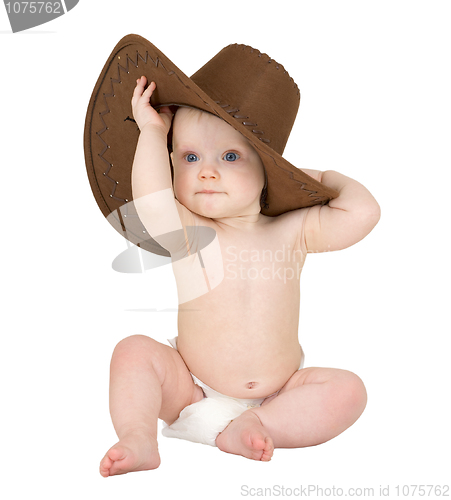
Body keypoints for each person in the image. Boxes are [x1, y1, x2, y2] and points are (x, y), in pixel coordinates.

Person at [99, 74, 380, 477]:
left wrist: (320, 178)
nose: (207, 173)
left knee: (349, 390)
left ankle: (260, 427)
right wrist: (151, 131)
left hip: (280, 395)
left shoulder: (294, 229)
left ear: (268, 168)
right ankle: (139, 437)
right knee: (133, 351)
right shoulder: (187, 228)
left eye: (229, 157)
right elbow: (151, 201)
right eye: (190, 158)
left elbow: (362, 213)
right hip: (189, 386)